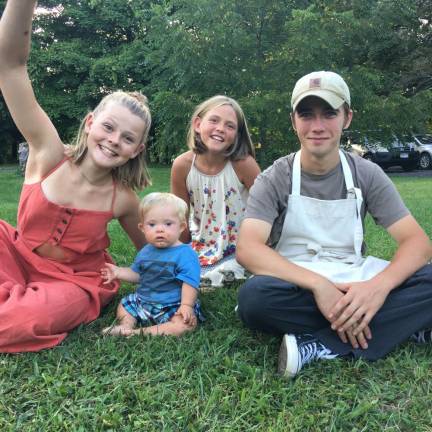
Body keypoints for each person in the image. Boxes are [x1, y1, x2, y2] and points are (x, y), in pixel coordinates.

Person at [236, 71, 432, 378]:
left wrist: (377, 289)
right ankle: (404, 324)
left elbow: (418, 244)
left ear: (347, 118)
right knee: (254, 299)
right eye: (306, 114)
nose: (317, 126)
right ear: (293, 121)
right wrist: (319, 285)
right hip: (297, 282)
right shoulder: (275, 177)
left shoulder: (367, 174)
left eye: (329, 113)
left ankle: (318, 345)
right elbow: (248, 249)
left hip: (355, 279)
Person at [0, 0, 152, 352]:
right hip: (15, 256)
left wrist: (188, 277)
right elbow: (10, 68)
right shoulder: (47, 154)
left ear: (137, 150)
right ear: (90, 123)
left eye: (128, 138)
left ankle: (21, 305)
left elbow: (155, 252)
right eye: (109, 127)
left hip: (75, 283)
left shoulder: (124, 199)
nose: (114, 140)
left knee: (25, 320)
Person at [171, 95, 261, 288]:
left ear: (237, 135)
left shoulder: (244, 165)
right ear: (197, 124)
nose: (220, 128)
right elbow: (179, 217)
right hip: (200, 243)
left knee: (235, 267)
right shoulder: (182, 166)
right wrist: (180, 251)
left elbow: (265, 209)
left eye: (230, 126)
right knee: (174, 267)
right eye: (214, 120)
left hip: (239, 245)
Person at [101, 192, 202, 337]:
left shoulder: (185, 254)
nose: (160, 229)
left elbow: (190, 283)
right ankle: (125, 325)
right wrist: (118, 272)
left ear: (181, 227)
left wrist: (186, 305)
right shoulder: (146, 251)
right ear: (142, 228)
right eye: (152, 224)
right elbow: (138, 275)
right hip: (143, 301)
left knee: (183, 325)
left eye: (168, 224)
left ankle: (136, 333)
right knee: (125, 305)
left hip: (173, 304)